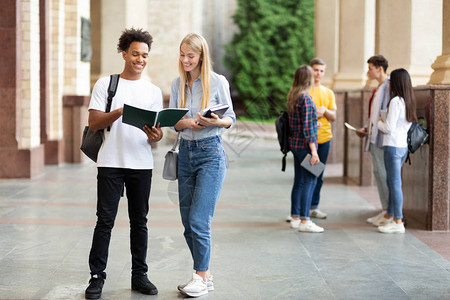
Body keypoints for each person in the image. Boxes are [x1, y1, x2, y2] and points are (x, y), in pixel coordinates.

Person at [85, 28, 163, 299]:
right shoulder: (106, 85)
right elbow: (94, 122)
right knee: (104, 221)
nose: (140, 59)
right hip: (110, 162)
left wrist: (156, 135)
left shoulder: (153, 91)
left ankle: (139, 275)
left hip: (141, 163)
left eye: (145, 55)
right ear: (124, 53)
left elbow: (156, 135)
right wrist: (118, 111)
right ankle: (96, 277)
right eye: (135, 54)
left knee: (139, 222)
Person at [169, 33, 236, 297]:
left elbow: (230, 118)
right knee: (188, 222)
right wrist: (187, 122)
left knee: (199, 219)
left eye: (190, 56)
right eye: (182, 54)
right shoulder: (178, 83)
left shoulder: (218, 82)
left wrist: (214, 122)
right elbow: (174, 121)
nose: (185, 60)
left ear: (201, 57)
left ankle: (199, 275)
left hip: (211, 153)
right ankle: (205, 276)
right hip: (185, 153)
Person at [376, 68, 416, 233]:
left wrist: (379, 122)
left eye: (391, 80)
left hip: (392, 146)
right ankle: (392, 215)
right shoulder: (409, 100)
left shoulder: (395, 101)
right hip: (402, 146)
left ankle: (398, 221)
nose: (389, 83)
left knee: (394, 183)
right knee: (394, 182)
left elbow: (388, 127)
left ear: (396, 82)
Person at [287, 65, 323, 233]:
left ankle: (295, 216)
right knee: (311, 179)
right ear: (308, 79)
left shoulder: (293, 96)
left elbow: (300, 123)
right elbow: (308, 130)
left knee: (300, 180)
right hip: (306, 147)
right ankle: (305, 220)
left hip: (295, 145)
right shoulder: (306, 99)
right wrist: (314, 152)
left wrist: (314, 124)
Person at [355, 55, 390, 226]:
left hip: (384, 139)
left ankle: (390, 213)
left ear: (380, 69)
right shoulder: (379, 88)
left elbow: (386, 116)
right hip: (375, 138)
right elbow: (374, 116)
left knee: (384, 175)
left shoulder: (389, 87)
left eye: (370, 68)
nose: (368, 71)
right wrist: (366, 128)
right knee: (378, 174)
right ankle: (385, 211)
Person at [308, 58, 337, 219]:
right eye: (315, 70)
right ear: (310, 70)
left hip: (324, 138)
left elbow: (333, 117)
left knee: (319, 174)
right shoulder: (305, 91)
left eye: (321, 71)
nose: (318, 73)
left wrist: (325, 111)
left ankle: (314, 206)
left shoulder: (328, 93)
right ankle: (300, 209)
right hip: (307, 140)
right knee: (306, 174)